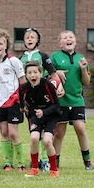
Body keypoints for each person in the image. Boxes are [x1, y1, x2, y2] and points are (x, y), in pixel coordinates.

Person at [19, 27, 64, 171]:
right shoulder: (21, 59)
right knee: (34, 132)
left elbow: (53, 74)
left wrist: (60, 86)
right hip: (31, 99)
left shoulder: (43, 56)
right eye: (27, 37)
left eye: (33, 37)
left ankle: (45, 160)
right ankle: (35, 161)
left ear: (38, 39)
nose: (30, 39)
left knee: (46, 135)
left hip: (45, 97)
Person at [50, 30, 94, 170]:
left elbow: (86, 82)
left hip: (76, 101)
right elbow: (48, 75)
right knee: (59, 132)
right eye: (65, 38)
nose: (68, 39)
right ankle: (55, 162)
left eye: (71, 37)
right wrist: (56, 72)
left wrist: (82, 69)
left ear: (75, 41)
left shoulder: (81, 59)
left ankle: (87, 161)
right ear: (60, 43)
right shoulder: (55, 57)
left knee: (80, 128)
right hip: (61, 101)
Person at [0, 27, 27, 172]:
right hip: (0, 103)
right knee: (3, 133)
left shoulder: (14, 61)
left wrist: (24, 102)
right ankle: (7, 163)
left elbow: (22, 82)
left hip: (14, 102)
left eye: (1, 43)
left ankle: (21, 163)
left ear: (6, 45)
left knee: (13, 133)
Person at [20, 61, 60, 178]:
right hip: (36, 117)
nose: (33, 75)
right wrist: (23, 109)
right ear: (26, 75)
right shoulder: (24, 88)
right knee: (34, 138)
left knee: (47, 141)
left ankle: (54, 169)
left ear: (41, 73)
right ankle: (34, 168)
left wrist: (44, 112)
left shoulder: (47, 85)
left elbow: (56, 105)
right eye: (29, 73)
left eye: (35, 72)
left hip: (51, 116)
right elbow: (22, 104)